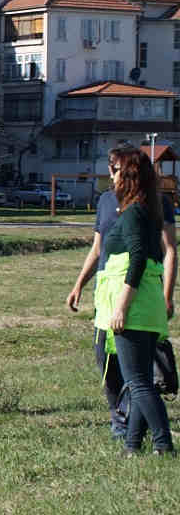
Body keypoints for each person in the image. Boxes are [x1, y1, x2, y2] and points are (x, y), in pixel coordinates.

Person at [66, 146, 176, 441]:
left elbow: (158, 253)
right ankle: (130, 440)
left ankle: (156, 440)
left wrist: (166, 295)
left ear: (129, 175)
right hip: (111, 299)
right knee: (116, 370)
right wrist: (79, 284)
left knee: (138, 379)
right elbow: (98, 248)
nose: (110, 174)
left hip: (132, 302)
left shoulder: (149, 206)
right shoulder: (107, 202)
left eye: (115, 169)